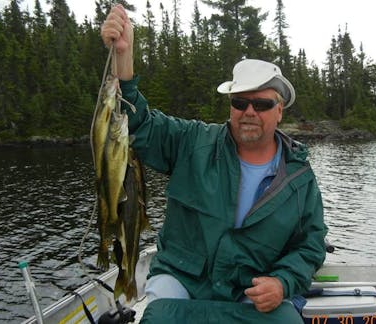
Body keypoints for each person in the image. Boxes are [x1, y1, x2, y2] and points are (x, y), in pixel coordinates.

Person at [101, 5, 327, 323]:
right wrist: (122, 58)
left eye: (261, 104)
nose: (249, 111)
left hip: (249, 292)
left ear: (280, 112)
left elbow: (310, 244)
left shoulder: (301, 178)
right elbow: (140, 126)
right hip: (182, 280)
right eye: (240, 102)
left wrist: (282, 282)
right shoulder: (192, 142)